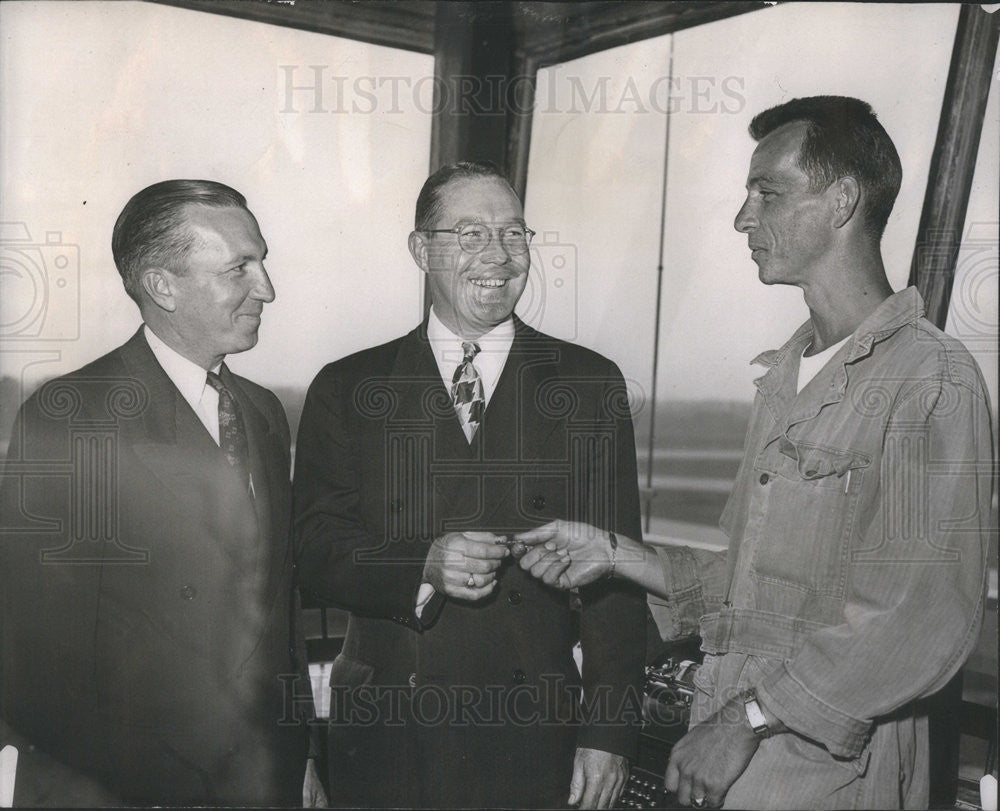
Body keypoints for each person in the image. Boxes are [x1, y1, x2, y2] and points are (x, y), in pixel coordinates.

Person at [515, 96, 994, 809]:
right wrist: (617, 552)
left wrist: (746, 717)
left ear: (842, 201)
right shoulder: (784, 380)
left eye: (767, 192)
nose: (743, 217)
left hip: (832, 776)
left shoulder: (932, 378)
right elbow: (746, 589)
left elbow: (916, 615)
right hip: (734, 768)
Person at [293, 161, 645, 809]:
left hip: (531, 732)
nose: (499, 256)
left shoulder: (589, 384)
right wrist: (423, 561)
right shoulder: (346, 387)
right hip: (385, 730)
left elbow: (618, 584)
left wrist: (610, 734)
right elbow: (313, 552)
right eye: (470, 234)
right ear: (421, 248)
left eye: (514, 235)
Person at [0, 180, 324, 806]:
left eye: (262, 262)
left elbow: (279, 618)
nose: (267, 289)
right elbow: (38, 649)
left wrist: (302, 752)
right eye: (239, 269)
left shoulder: (261, 412)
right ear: (162, 286)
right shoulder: (72, 417)